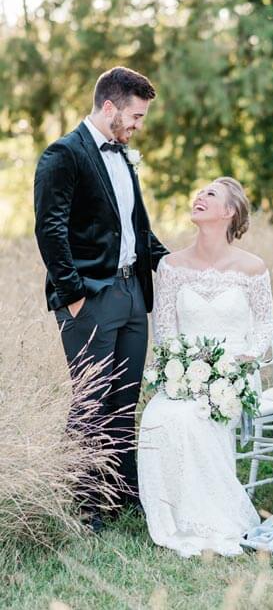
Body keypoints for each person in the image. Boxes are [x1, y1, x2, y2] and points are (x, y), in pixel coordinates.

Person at [34, 66, 168, 532]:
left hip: (133, 293)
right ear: (109, 107)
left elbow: (138, 228)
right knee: (92, 400)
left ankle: (120, 493)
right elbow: (49, 229)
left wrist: (174, 267)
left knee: (125, 399)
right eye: (135, 116)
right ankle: (85, 504)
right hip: (90, 296)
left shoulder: (125, 156)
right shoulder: (63, 155)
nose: (138, 125)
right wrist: (73, 297)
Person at [138, 177, 273, 557]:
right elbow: (165, 331)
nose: (199, 197)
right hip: (184, 373)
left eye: (210, 194)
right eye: (199, 192)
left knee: (198, 416)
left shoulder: (252, 267)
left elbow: (265, 325)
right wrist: (179, 368)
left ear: (229, 212)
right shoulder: (170, 266)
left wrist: (244, 359)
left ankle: (215, 516)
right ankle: (176, 518)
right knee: (160, 415)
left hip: (234, 374)